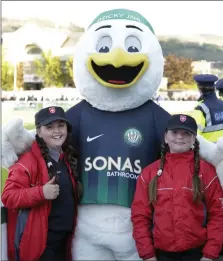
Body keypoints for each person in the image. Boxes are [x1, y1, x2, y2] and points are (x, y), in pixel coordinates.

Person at [131, 114, 223, 261]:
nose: (180, 137)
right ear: (166, 136)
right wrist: (147, 254)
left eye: (186, 133)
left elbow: (218, 214)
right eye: (174, 132)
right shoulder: (149, 173)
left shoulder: (206, 171)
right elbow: (140, 216)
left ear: (194, 139)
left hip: (197, 254)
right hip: (161, 254)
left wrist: (210, 254)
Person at [2, 106, 82, 261]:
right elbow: (8, 196)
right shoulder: (28, 160)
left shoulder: (66, 157)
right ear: (38, 131)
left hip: (64, 244)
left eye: (61, 125)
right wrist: (41, 193)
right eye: (49, 127)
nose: (57, 131)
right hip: (41, 248)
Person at [191, 74, 223, 143]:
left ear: (199, 88)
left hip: (208, 150)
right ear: (214, 88)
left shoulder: (201, 108)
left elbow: (194, 134)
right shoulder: (222, 103)